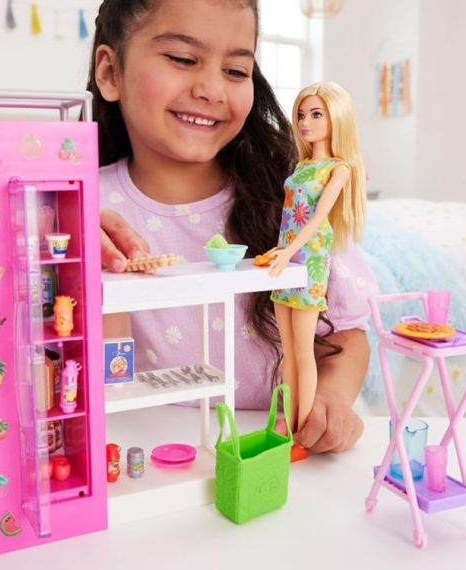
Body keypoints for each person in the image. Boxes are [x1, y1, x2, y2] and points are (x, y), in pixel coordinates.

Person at [87, 0, 378, 453]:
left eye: (237, 71)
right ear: (110, 72)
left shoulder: (292, 193)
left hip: (281, 452)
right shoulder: (82, 204)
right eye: (183, 59)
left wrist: (331, 399)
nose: (212, 90)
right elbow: (103, 382)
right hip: (160, 453)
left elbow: (347, 330)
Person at [266, 81, 367, 433]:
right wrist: (279, 250)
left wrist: (290, 252)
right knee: (289, 351)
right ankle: (289, 424)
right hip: (286, 257)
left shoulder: (338, 169)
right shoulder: (301, 166)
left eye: (316, 114)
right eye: (301, 114)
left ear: (335, 117)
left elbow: (318, 218)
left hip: (308, 261)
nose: (305, 122)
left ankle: (302, 428)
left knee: (305, 350)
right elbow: (290, 217)